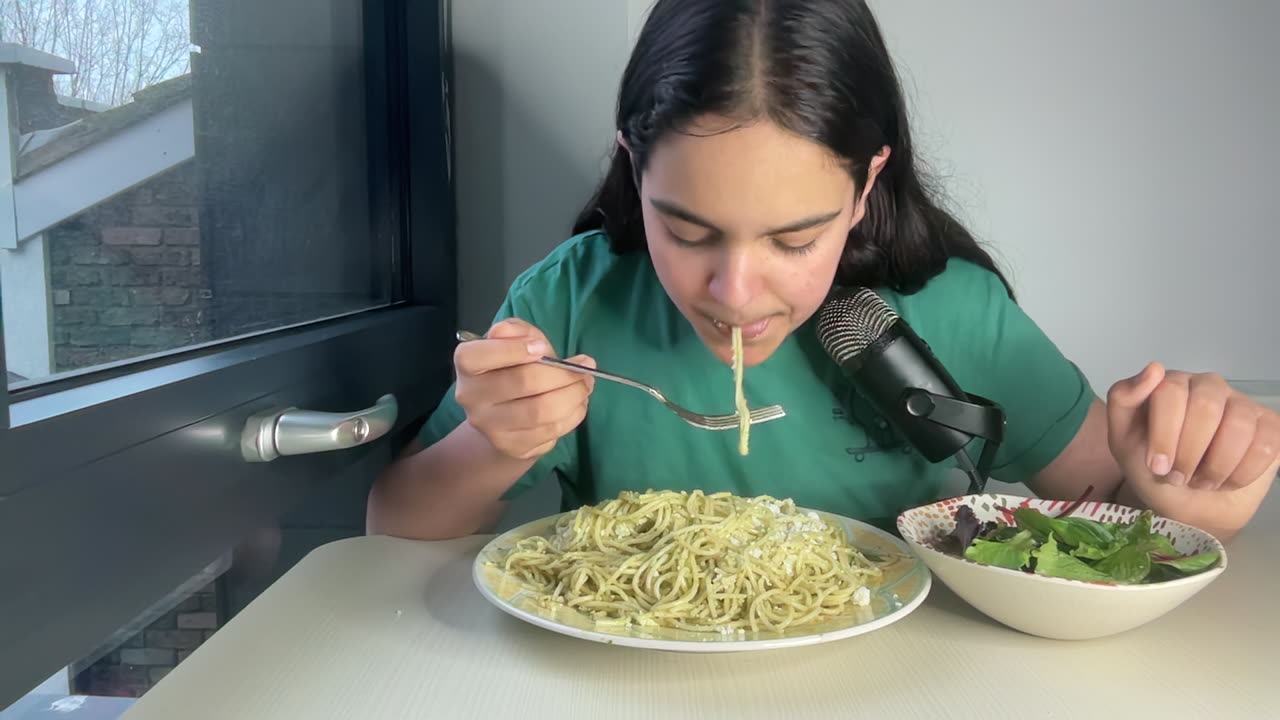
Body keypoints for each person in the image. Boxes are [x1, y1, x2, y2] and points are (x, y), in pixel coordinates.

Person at [367, 0, 1278, 543]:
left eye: (795, 241)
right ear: (633, 171)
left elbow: (1109, 507)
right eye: (687, 232)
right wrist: (494, 443)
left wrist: (1183, 490)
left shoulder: (951, 309)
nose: (735, 294)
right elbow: (394, 531)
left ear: (864, 185)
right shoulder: (570, 302)